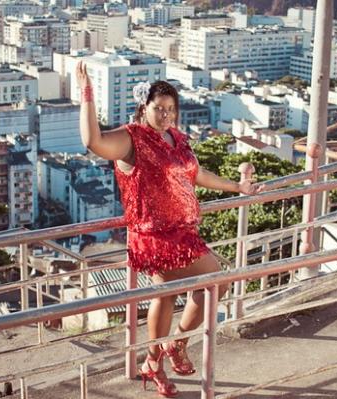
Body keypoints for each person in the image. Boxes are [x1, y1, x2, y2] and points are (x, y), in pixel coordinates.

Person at [76, 61, 262, 397]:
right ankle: (171, 349)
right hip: (154, 234)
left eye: (171, 109)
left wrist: (238, 187)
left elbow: (197, 175)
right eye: (158, 108)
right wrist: (86, 92)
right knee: (211, 280)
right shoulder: (131, 139)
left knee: (170, 296)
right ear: (143, 108)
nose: (165, 115)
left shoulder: (177, 138)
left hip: (183, 230)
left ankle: (158, 359)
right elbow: (93, 141)